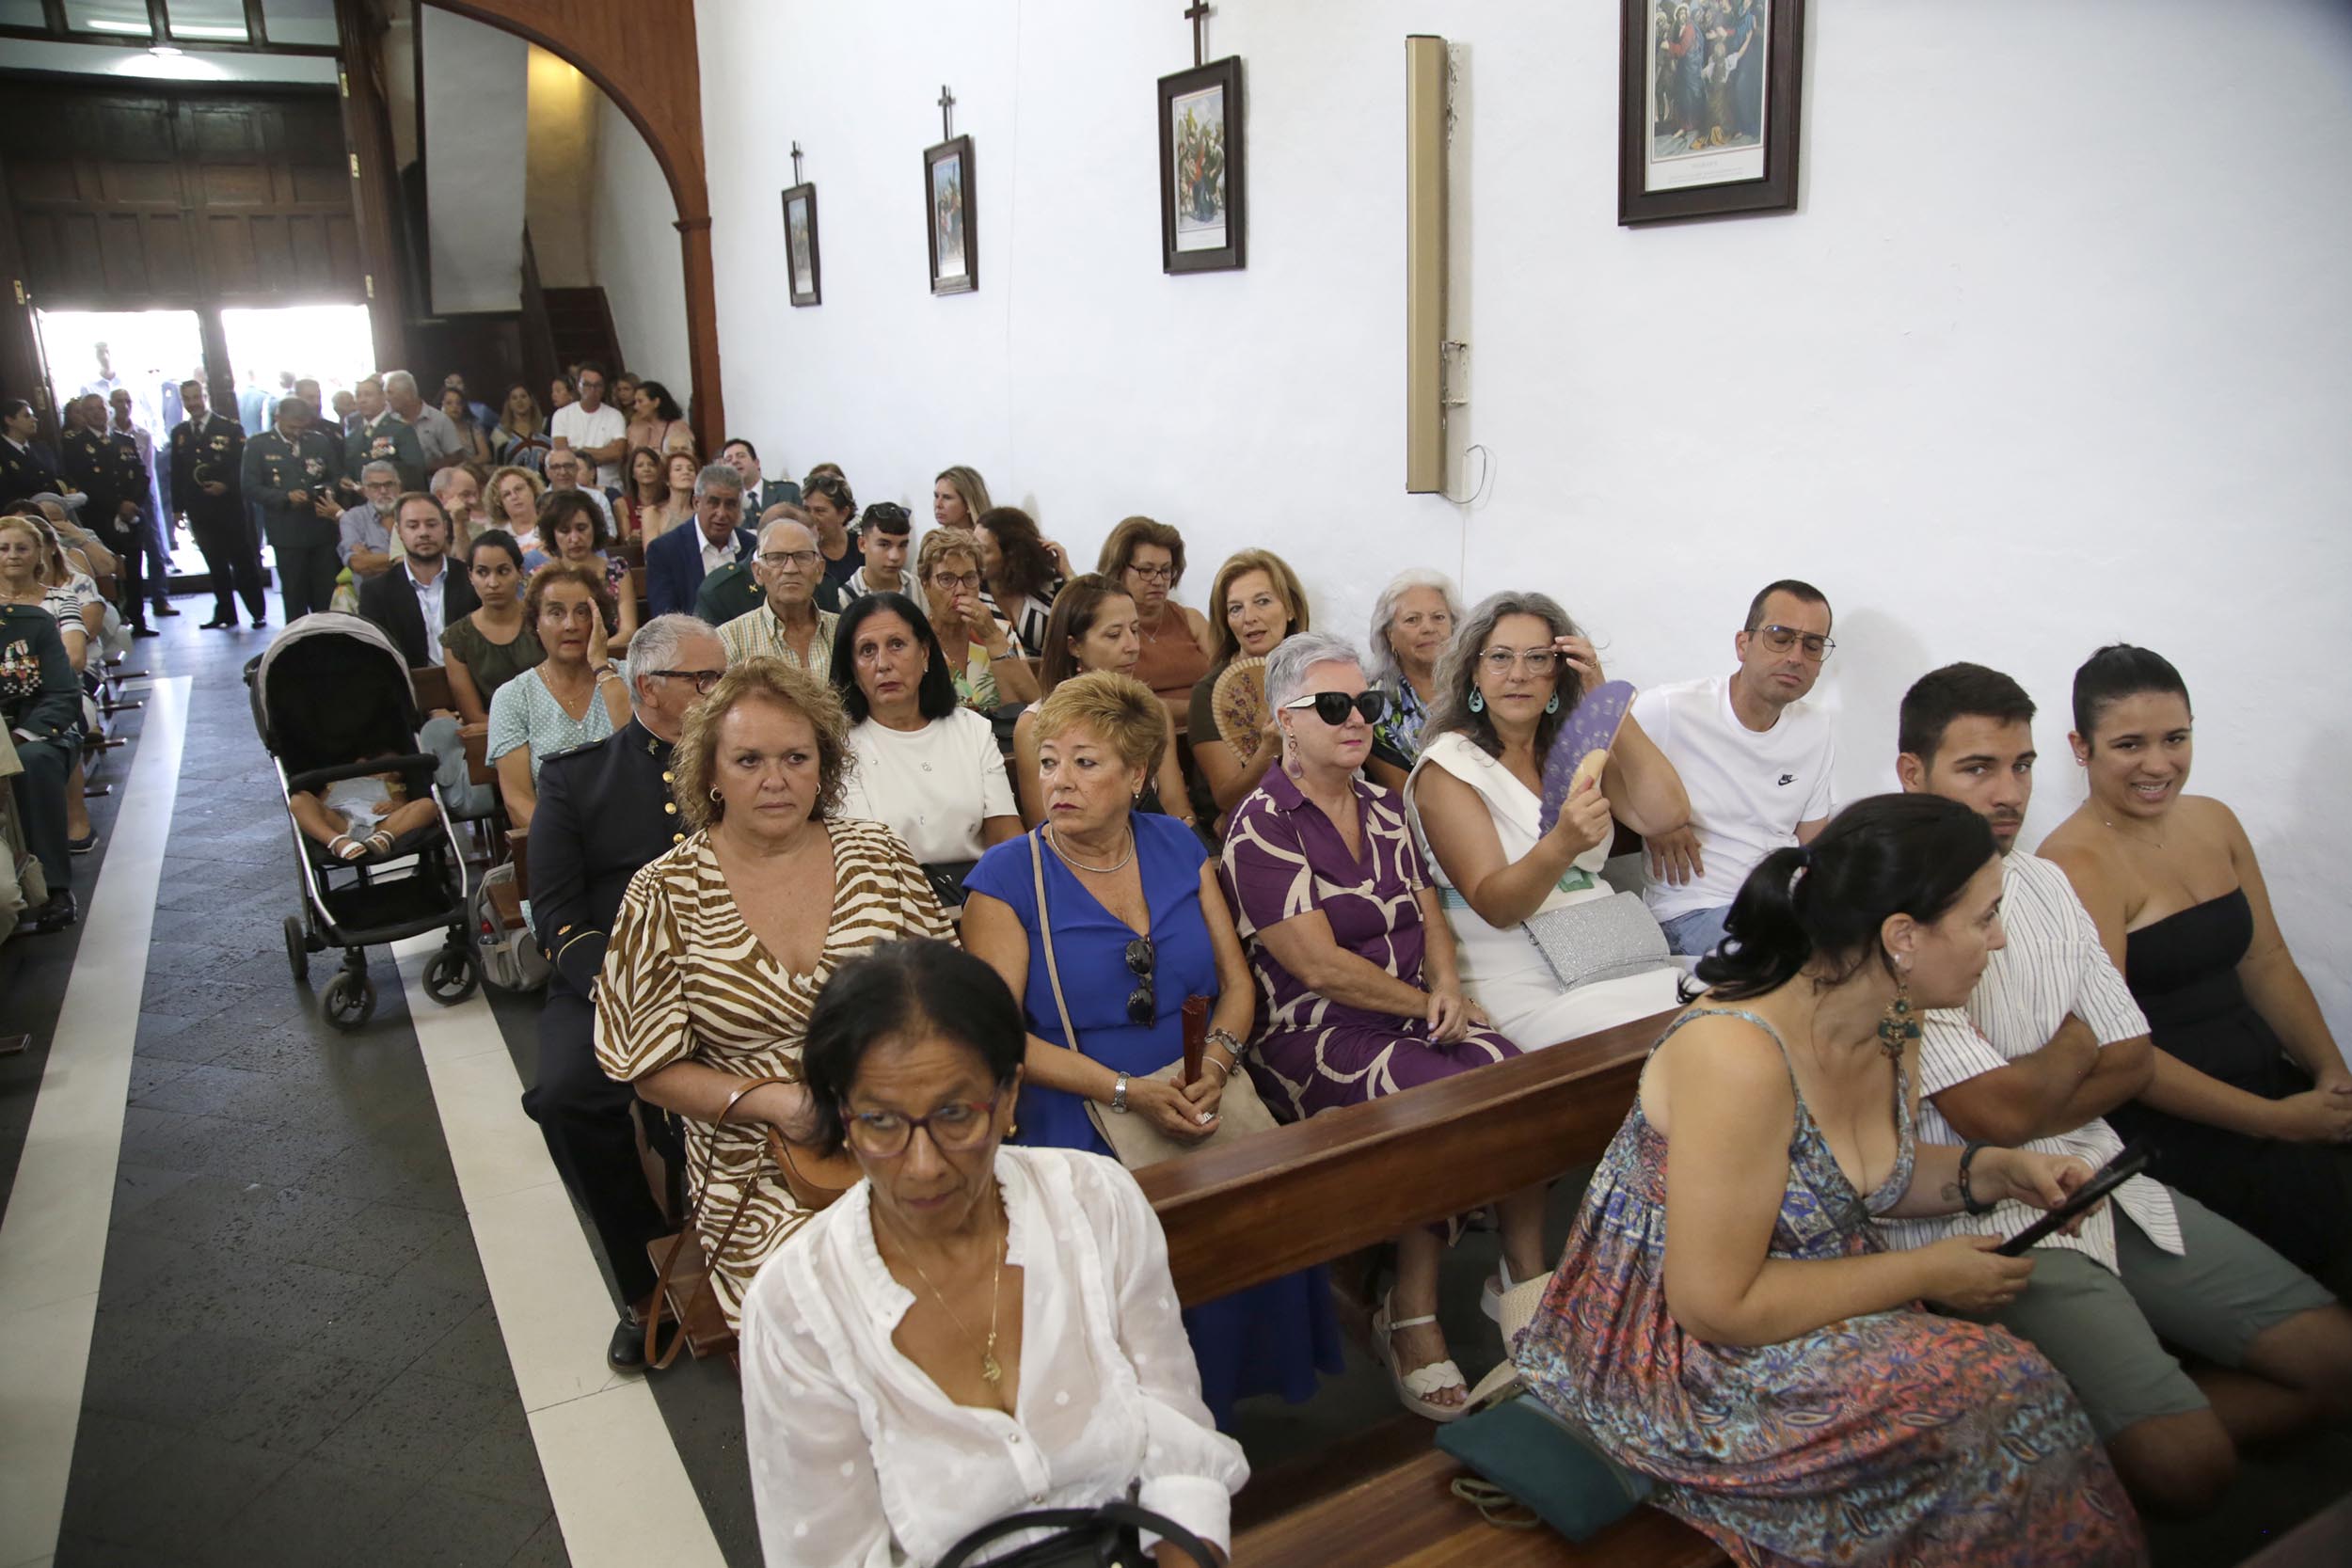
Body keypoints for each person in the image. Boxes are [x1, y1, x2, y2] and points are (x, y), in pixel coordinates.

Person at [1510, 793, 2144, 1564]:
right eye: (1984, 917)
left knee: (2000, 1397)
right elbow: (1714, 1302)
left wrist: (1996, 1172)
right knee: (2002, 1386)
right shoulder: (1737, 1055)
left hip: (1793, 1303)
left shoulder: (1894, 1015)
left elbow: (1862, 1183)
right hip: (1669, 1358)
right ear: (1903, 936)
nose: (2000, 939)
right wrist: (1925, 1269)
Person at [1891, 662, 2352, 1513]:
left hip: (2103, 1174)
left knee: (2335, 1365)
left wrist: (2051, 1077)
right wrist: (2074, 1050)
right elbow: (1989, 1116)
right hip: (1988, 1220)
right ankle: (2101, 1432)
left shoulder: (2046, 883)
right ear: (1912, 774)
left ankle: (2093, 1426)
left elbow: (2133, 1052)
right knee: (2192, 1469)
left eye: (2022, 766)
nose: (2008, 792)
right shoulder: (1890, 911)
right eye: (1978, 768)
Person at [740, 939, 1248, 1567]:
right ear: (843, 1115)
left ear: (1008, 1096)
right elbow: (828, 1555)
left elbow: (1180, 1452)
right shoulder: (798, 1306)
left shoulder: (1094, 1204)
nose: (922, 1165)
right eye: (880, 1122)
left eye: (956, 1115)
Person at [964, 672, 1337, 1421]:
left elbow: (1237, 985)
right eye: (1047, 763)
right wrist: (1129, 1092)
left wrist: (1219, 1063)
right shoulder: (1006, 879)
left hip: (1200, 1077)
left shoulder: (1177, 844)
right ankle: (1135, 1420)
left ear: (1137, 775)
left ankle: (1227, 1395)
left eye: (1085, 762)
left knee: (1264, 1196)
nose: (1058, 782)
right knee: (1131, 1236)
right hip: (1078, 1099)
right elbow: (997, 1039)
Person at [1221, 630, 1542, 1418]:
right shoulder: (1263, 823)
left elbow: (1429, 908)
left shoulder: (1383, 800)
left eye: (1363, 702)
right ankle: (1414, 1312)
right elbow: (1320, 967)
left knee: (1520, 1077)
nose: (1355, 717)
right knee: (1442, 1094)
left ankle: (1525, 1278)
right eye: (1332, 706)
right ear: (1285, 720)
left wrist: (1445, 988)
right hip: (1317, 1032)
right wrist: (1429, 1009)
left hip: (1410, 1008)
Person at [595, 660, 954, 1331]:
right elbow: (644, 1067)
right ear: (709, 773)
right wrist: (779, 1103)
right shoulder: (665, 891)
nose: (775, 779)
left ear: (824, 764)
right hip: (756, 1154)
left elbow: (945, 1002)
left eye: (796, 756)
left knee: (979, 1278)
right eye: (749, 759)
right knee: (836, 1305)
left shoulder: (879, 854)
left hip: (899, 1125)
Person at [2044, 645, 2352, 1281]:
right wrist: (2276, 1122)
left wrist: (2331, 1078)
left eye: (2175, 738)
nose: (2158, 764)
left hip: (2272, 1078)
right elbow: (2116, 1050)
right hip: (2178, 1123)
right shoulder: (2075, 862)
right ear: (2082, 746)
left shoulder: (2215, 820)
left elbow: (2267, 962)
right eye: (2130, 744)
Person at [528, 612, 728, 1370]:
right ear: (649, 686)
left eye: (722, 676)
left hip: (730, 971)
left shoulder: (740, 765)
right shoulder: (578, 778)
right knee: (566, 1094)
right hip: (609, 978)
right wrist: (620, 987)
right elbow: (555, 914)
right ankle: (648, 1278)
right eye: (704, 679)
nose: (720, 691)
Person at [1406, 591, 1692, 1049]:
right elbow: (1495, 905)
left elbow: (1667, 814)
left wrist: (1603, 695)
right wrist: (1561, 844)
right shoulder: (1449, 767)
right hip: (1520, 973)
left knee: (1731, 1013)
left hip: (1618, 956)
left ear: (1560, 673)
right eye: (1499, 657)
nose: (1518, 674)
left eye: (1537, 658)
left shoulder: (1576, 748)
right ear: (1473, 673)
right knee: (1666, 1041)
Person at [1637, 580, 1839, 958]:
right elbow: (1593, 765)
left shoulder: (1817, 728)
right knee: (1793, 957)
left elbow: (1813, 847)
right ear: (1742, 645)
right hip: (1693, 912)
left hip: (1781, 906)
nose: (1796, 656)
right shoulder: (1670, 710)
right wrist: (1654, 820)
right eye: (1780, 637)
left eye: (1812, 645)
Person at [830, 593, 1019, 902]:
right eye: (867, 651)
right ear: (852, 669)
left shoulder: (972, 729)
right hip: (889, 902)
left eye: (897, 645)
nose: (883, 664)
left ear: (925, 653)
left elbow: (1006, 839)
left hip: (981, 894)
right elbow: (862, 862)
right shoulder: (840, 744)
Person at [1013, 575, 1191, 829]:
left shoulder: (1152, 710)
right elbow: (1044, 827)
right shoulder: (1034, 724)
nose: (1132, 646)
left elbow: (1176, 805)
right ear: (1074, 646)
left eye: (1135, 630)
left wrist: (1188, 846)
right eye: (1114, 634)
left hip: (1154, 840)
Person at [485, 561, 630, 828]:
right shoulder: (513, 697)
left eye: (583, 612)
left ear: (600, 620)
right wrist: (566, 843)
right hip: (554, 843)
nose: (570, 625)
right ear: (536, 623)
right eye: (556, 613)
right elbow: (518, 802)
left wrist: (600, 665)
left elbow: (640, 755)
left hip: (633, 832)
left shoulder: (630, 678)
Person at [0, 523, 84, 932]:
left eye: (20, 548)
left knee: (32, 762)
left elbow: (63, 693)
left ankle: (53, 886)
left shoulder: (36, 621)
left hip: (36, 727)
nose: (10, 555)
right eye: (2, 548)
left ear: (39, 555)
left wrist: (18, 737)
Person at [1190, 547, 1310, 821]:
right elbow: (1228, 799)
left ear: (1290, 608)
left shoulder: (1316, 673)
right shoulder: (1209, 693)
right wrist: (1268, 749)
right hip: (1252, 820)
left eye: (1263, 601)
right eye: (1236, 608)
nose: (1249, 618)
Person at [167, 376, 263, 630]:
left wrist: (227, 485)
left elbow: (243, 466)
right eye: (187, 399)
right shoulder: (180, 434)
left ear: (204, 397)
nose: (192, 403)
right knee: (214, 564)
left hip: (229, 508)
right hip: (199, 510)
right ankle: (225, 613)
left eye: (196, 397)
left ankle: (257, 612)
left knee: (242, 561)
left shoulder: (229, 428)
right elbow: (176, 474)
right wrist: (177, 509)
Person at [1100, 516, 1214, 728]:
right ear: (1119, 570)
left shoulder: (1191, 619)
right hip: (1144, 737)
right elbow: (1129, 704)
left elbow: (1227, 679)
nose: (1159, 580)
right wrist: (1208, 710)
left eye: (1166, 570)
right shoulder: (1106, 629)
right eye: (1146, 570)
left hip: (1211, 735)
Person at [241, 394, 343, 622]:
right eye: (291, 427)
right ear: (278, 417)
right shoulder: (259, 444)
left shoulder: (318, 441)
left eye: (301, 428)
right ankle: (297, 643)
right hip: (286, 531)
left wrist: (323, 490)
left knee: (326, 591)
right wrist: (284, 497)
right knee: (294, 593)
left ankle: (328, 636)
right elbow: (249, 487)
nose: (296, 433)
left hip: (320, 528)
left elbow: (335, 476)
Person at [915, 527, 1039, 716]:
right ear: (925, 584)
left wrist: (992, 637)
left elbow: (1035, 703)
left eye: (969, 578)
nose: (960, 590)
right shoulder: (915, 641)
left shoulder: (999, 631)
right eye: (947, 579)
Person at [62, 391, 151, 635]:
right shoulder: (75, 445)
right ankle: (113, 625)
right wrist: (116, 506)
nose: (97, 413)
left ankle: (139, 621)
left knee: (133, 571)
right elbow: (84, 483)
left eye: (100, 408)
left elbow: (141, 476)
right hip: (99, 519)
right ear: (83, 414)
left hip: (131, 517)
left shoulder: (125, 441)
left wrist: (132, 503)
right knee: (104, 574)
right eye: (89, 409)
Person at [1363, 567, 1459, 787]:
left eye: (1438, 617)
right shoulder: (1375, 706)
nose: (1428, 628)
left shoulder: (1478, 688)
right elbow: (1407, 796)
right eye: (1412, 620)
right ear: (1389, 635)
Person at [717, 512, 841, 682]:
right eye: (777, 558)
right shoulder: (730, 639)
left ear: (819, 570)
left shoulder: (843, 631)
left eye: (802, 556)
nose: (790, 569)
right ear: (757, 572)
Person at [358, 492, 477, 668]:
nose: (423, 533)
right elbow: (374, 657)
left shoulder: (471, 578)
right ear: (399, 532)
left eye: (431, 524)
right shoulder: (376, 591)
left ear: (445, 527)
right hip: (410, 687)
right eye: (413, 526)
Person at [440, 530, 543, 724]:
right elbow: (473, 716)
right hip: (492, 736)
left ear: (520, 572)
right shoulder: (457, 638)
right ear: (471, 576)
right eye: (482, 572)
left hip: (554, 727)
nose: (493, 583)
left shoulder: (543, 621)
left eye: (503, 571)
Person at [528, 490, 639, 656]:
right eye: (565, 531)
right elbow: (537, 634)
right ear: (553, 534)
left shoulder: (617, 569)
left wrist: (592, 654)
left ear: (594, 528)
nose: (574, 538)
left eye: (581, 528)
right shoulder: (542, 576)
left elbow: (628, 631)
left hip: (610, 656)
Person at [644, 463, 750, 620]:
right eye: (713, 503)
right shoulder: (664, 550)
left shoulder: (751, 545)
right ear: (696, 503)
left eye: (730, 504)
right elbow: (665, 620)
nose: (721, 513)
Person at [107, 388, 176, 622]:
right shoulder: (107, 434)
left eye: (128, 401)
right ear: (111, 404)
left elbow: (146, 471)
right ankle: (128, 610)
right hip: (117, 498)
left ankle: (161, 598)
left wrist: (138, 499)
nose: (124, 405)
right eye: (119, 401)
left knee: (155, 548)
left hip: (143, 496)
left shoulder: (142, 435)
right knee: (125, 555)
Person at [974, 505, 1064, 655]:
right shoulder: (972, 592)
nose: (974, 556)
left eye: (983, 550)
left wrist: (1069, 574)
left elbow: (1086, 624)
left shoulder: (1049, 585)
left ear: (1011, 555)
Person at [550, 361, 628, 490]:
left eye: (597, 385)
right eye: (586, 385)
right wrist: (601, 453)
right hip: (573, 488)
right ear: (577, 386)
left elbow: (617, 453)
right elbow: (562, 454)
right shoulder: (561, 415)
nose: (592, 390)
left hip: (609, 486)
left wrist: (577, 450)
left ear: (604, 388)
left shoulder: (615, 415)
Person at [342, 374, 426, 494]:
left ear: (383, 398)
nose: (362, 400)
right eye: (358, 395)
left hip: (393, 499)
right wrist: (346, 480)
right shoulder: (352, 435)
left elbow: (414, 470)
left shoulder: (400, 430)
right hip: (360, 503)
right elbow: (349, 469)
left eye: (368, 395)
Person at [329, 461, 403, 580]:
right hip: (376, 596)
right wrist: (409, 558)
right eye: (375, 486)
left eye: (389, 484)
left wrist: (373, 559)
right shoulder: (352, 518)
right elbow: (359, 564)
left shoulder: (413, 513)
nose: (383, 491)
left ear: (399, 487)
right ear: (365, 491)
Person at [383, 371, 463, 477]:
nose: (386, 398)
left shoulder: (439, 420)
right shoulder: (387, 421)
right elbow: (383, 453)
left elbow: (456, 457)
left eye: (390, 392)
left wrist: (424, 469)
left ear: (407, 394)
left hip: (432, 484)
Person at [798, 468, 861, 596]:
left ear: (843, 513)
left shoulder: (862, 548)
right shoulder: (799, 552)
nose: (811, 517)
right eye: (806, 509)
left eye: (820, 511)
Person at [836, 500, 912, 602]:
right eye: (884, 545)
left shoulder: (918, 587)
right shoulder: (843, 598)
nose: (895, 556)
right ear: (862, 544)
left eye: (902, 545)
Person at [1, 399, 69, 507]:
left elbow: (61, 476)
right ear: (9, 420)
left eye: (33, 415)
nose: (35, 420)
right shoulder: (3, 453)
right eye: (27, 416)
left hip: (57, 509)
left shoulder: (42, 448)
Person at [719, 437, 800, 517]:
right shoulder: (727, 504)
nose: (734, 461)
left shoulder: (788, 491)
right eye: (728, 460)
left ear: (756, 463)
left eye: (741, 456)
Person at [483, 464, 546, 554]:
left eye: (519, 489)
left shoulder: (552, 521)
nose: (514, 496)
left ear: (533, 488)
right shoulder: (496, 535)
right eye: (506, 494)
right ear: (499, 503)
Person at [615, 446, 670, 546]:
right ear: (632, 473)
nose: (647, 469)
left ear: (659, 470)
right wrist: (631, 537)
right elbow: (625, 540)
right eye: (640, 465)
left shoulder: (669, 500)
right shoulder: (622, 503)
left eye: (652, 465)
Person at [624, 379, 692, 458]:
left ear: (656, 402)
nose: (635, 407)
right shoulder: (633, 428)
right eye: (635, 402)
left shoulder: (677, 426)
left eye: (640, 401)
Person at [492, 381, 549, 474]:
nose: (519, 401)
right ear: (509, 404)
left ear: (531, 400)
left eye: (523, 396)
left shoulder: (547, 425)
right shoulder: (500, 433)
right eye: (514, 398)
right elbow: (499, 468)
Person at [438, 386, 494, 468]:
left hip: (471, 474)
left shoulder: (473, 427)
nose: (455, 407)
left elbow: (486, 456)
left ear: (463, 406)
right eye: (449, 403)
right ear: (442, 405)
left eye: (458, 403)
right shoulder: (436, 429)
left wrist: (466, 465)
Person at [427, 463, 484, 544]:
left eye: (475, 494)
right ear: (440, 496)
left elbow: (467, 556)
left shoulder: (475, 527)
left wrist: (459, 523)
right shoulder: (421, 528)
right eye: (465, 494)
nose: (474, 501)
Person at [932, 465, 990, 531]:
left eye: (947, 497)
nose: (938, 504)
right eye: (936, 496)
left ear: (969, 504)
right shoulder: (932, 539)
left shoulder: (991, 539)